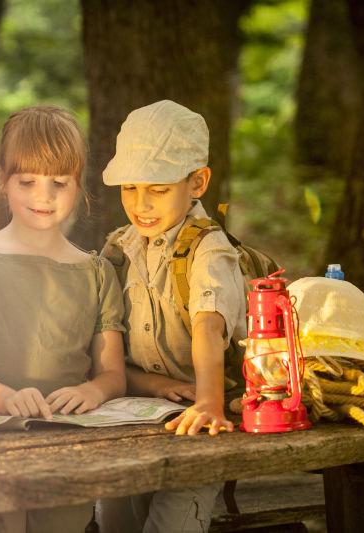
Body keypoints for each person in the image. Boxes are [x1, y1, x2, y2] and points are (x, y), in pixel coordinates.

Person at [0, 105, 126, 532]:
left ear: (79, 186)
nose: (44, 196)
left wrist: (94, 391)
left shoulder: (96, 272)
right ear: (3, 180)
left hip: (66, 447)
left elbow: (113, 372)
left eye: (59, 183)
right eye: (28, 181)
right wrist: (3, 396)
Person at [97, 100, 247, 533]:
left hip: (200, 419)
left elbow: (208, 324)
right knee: (113, 519)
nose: (140, 204)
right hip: (135, 414)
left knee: (174, 520)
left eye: (158, 189)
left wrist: (208, 401)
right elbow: (110, 353)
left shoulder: (209, 248)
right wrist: (160, 386)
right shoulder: (120, 249)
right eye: (129, 188)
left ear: (197, 182)